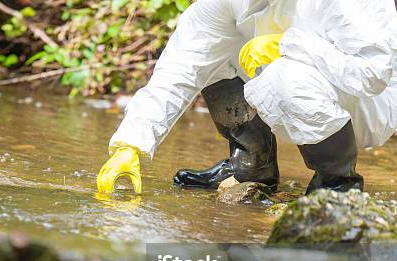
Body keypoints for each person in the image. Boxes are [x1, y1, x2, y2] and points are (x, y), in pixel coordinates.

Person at [96, 0, 397, 195]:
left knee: (285, 76)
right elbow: (182, 65)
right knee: (209, 60)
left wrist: (289, 45)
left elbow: (372, 74)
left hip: (366, 104)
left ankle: (337, 186)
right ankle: (252, 167)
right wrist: (131, 144)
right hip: (297, 78)